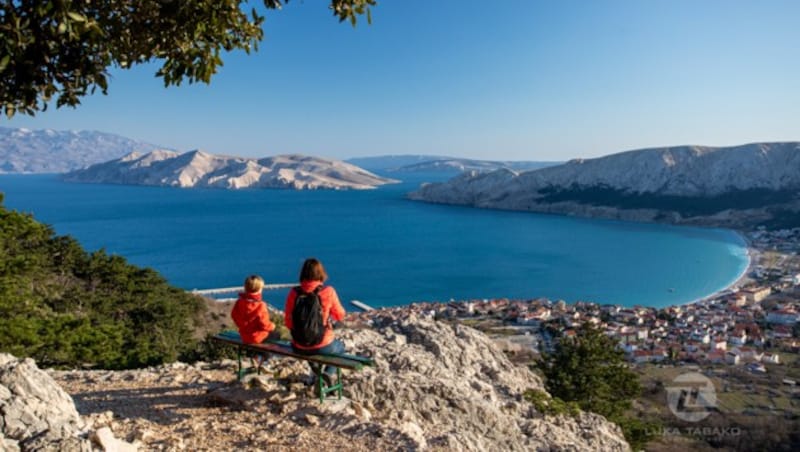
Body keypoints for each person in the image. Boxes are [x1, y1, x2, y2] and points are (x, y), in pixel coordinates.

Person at [284, 258, 346, 387]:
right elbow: (340, 315)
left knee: (309, 348)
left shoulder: (294, 293)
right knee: (340, 348)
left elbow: (288, 322)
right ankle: (326, 376)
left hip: (299, 346)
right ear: (321, 273)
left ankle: (316, 375)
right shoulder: (328, 292)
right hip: (323, 345)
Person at [231, 274, 276, 344]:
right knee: (276, 335)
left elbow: (234, 315)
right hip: (257, 337)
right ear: (259, 290)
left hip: (244, 336)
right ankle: (266, 354)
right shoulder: (260, 305)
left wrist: (243, 326)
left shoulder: (239, 302)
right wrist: (272, 326)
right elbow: (265, 325)